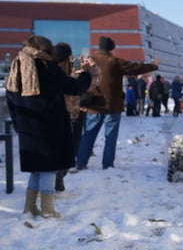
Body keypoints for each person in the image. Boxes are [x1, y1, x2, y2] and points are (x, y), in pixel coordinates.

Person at [6, 36, 93, 217]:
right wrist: (86, 73)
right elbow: (73, 87)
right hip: (49, 125)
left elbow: (10, 99)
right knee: (49, 168)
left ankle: (30, 207)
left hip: (27, 126)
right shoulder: (48, 67)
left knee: (36, 168)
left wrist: (18, 125)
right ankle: (47, 209)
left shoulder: (17, 65)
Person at [76, 36, 159, 170]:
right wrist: (153, 65)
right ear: (111, 49)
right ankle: (107, 164)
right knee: (110, 137)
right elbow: (135, 68)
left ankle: (81, 162)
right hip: (112, 106)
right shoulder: (114, 62)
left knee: (88, 135)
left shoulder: (90, 61)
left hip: (93, 105)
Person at [53, 42, 91, 193]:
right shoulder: (61, 73)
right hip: (69, 116)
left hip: (70, 115)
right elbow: (79, 88)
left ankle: (59, 176)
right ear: (67, 57)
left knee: (66, 152)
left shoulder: (56, 70)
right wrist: (87, 72)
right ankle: (58, 177)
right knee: (69, 151)